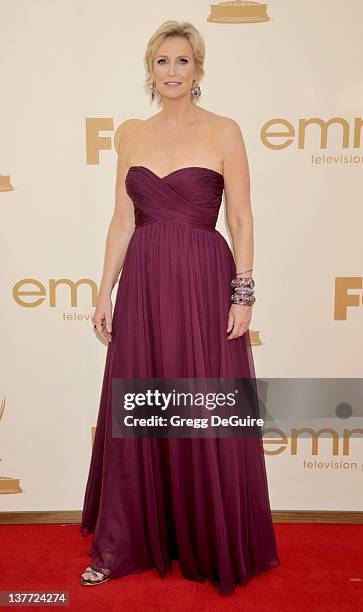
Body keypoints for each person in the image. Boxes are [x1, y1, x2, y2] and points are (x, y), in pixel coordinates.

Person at [79, 20, 281, 596]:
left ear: (198, 69)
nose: (172, 71)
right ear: (151, 68)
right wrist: (103, 290)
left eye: (183, 61)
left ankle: (210, 540)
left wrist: (242, 292)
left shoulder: (224, 130)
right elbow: (121, 220)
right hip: (143, 280)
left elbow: (240, 218)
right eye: (162, 61)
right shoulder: (131, 134)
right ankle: (124, 543)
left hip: (203, 279)